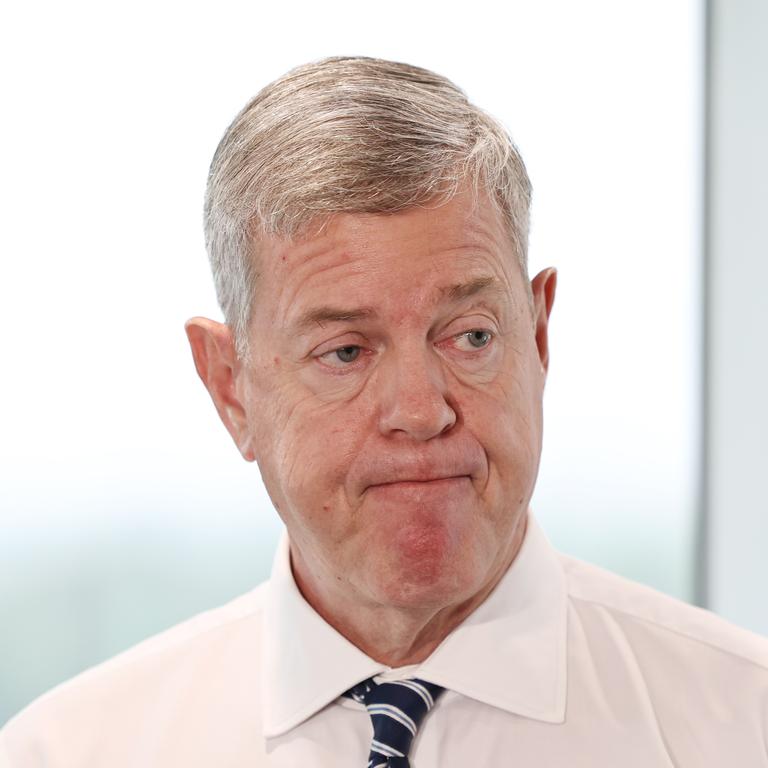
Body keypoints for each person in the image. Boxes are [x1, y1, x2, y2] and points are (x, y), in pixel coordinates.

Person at [1, 56, 767, 768]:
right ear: (231, 387)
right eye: (346, 351)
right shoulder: (70, 751)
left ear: (537, 336)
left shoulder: (743, 723)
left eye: (469, 336)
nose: (420, 410)